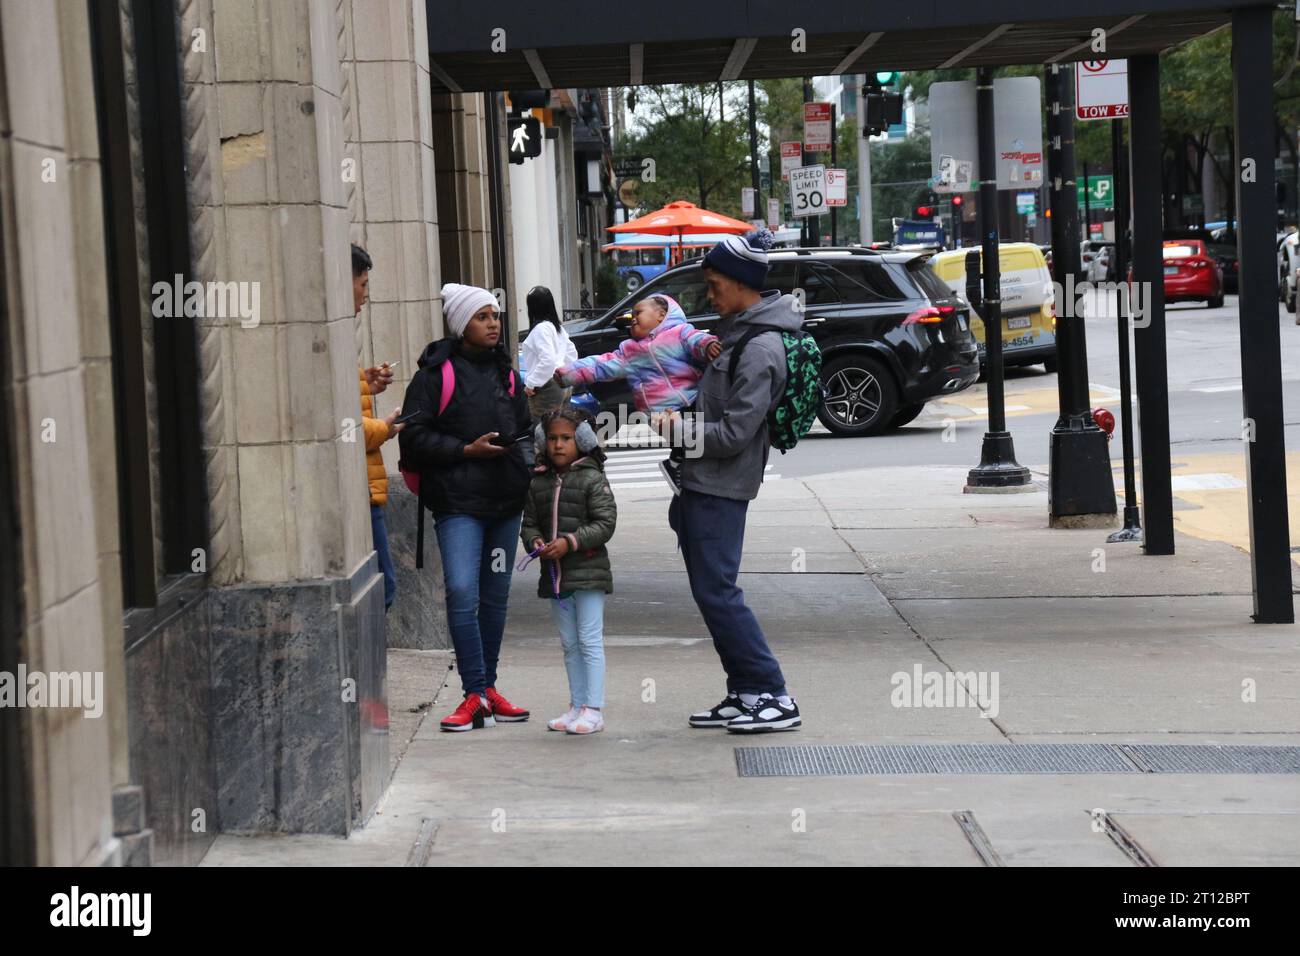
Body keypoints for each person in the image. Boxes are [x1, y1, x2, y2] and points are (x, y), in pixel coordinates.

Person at [658, 230, 802, 733]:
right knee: (709, 591)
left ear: (742, 283)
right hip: (702, 481)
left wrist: (683, 428)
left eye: (716, 284)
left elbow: (738, 430)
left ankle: (773, 694)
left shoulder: (761, 347)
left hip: (723, 484)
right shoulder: (738, 334)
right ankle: (745, 691)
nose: (709, 294)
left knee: (718, 592)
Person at [398, 283, 533, 732]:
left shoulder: (507, 374)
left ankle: (488, 689)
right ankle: (473, 692)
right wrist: (465, 451)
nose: (493, 323)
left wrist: (522, 462)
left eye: (495, 315)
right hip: (458, 505)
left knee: (494, 599)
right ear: (461, 324)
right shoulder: (435, 375)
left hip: (504, 503)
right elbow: (412, 437)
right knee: (461, 592)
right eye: (482, 317)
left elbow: (526, 429)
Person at [556, 294, 721, 491]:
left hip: (693, 399)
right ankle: (678, 463)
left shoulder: (679, 333)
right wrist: (568, 374)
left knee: (696, 436)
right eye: (631, 315)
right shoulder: (629, 351)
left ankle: (680, 465)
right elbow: (600, 364)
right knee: (684, 434)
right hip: (660, 411)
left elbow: (696, 339)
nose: (633, 318)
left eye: (638, 313)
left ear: (661, 315)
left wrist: (708, 344)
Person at [519, 406, 616, 736]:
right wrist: (534, 542)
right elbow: (529, 523)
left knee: (589, 640)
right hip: (555, 578)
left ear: (583, 440)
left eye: (567, 438)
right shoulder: (538, 483)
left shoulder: (592, 478)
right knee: (569, 643)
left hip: (588, 574)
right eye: (553, 438)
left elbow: (605, 524)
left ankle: (595, 708)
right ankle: (577, 705)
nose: (559, 445)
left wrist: (570, 542)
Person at [353, 244, 403, 612]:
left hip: (367, 488)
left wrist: (365, 382)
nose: (366, 296)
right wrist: (386, 427)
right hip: (361, 490)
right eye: (363, 285)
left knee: (382, 584)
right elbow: (344, 431)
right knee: (383, 586)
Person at [520, 286, 577, 418]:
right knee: (561, 429)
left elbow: (548, 361)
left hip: (547, 388)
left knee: (544, 432)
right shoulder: (558, 328)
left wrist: (531, 384)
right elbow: (571, 355)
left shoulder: (540, 329)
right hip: (563, 383)